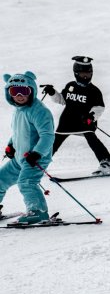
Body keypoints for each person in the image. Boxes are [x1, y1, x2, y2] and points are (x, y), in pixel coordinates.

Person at [43, 56, 110, 175]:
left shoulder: (94, 90)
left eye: (88, 74)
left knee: (92, 139)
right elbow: (62, 100)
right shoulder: (70, 86)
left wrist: (91, 117)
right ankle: (40, 164)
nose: (86, 77)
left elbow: (99, 108)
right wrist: (53, 93)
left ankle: (107, 163)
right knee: (55, 142)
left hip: (85, 122)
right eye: (83, 74)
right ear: (76, 74)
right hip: (67, 121)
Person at [1, 71, 55, 224]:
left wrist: (37, 153)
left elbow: (47, 136)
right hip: (20, 158)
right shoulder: (18, 110)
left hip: (35, 158)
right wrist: (11, 145)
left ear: (31, 90)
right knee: (0, 179)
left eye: (23, 90)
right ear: (9, 93)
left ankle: (38, 211)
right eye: (14, 91)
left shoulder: (39, 111)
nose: (19, 95)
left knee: (26, 182)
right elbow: (19, 132)